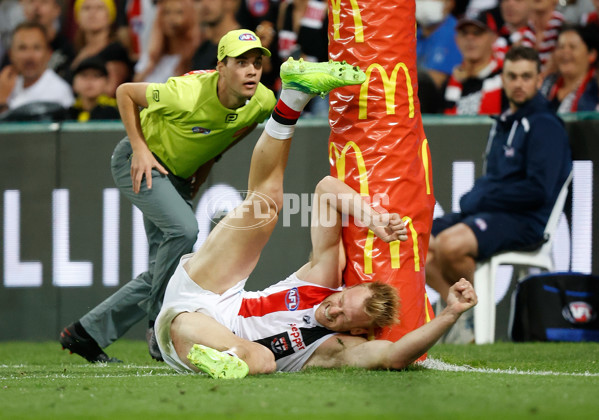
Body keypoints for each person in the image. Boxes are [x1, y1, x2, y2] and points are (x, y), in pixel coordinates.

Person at [153, 59, 478, 377]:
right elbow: (326, 190)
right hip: (211, 295)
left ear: (360, 331)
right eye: (339, 301)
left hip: (188, 328)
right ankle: (294, 95)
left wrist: (450, 314)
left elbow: (394, 356)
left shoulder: (335, 347)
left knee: (264, 359)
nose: (331, 310)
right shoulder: (322, 281)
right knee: (264, 204)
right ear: (344, 289)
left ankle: (227, 357)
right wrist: (374, 219)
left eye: (340, 318)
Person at [59, 29, 276, 363]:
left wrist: (205, 168)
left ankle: (85, 333)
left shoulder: (262, 101)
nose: (251, 70)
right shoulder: (186, 93)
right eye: (241, 62)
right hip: (141, 164)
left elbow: (235, 131)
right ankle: (156, 325)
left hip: (179, 175)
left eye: (256, 63)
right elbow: (125, 92)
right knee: (185, 231)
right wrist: (139, 148)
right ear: (221, 66)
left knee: (166, 268)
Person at [426, 46, 572, 341]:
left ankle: (469, 319)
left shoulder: (545, 126)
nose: (519, 83)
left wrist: (484, 196)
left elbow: (538, 190)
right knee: (417, 240)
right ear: (502, 79)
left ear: (538, 78)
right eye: (512, 76)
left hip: (526, 220)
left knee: (450, 245)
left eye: (526, 76)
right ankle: (458, 315)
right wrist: (483, 197)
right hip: (490, 214)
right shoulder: (503, 123)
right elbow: (495, 181)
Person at [0, 21, 73, 114]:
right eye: (22, 48)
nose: (29, 56)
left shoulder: (58, 90)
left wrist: (2, 101)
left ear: (48, 54)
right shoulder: (5, 83)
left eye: (36, 48)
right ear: (10, 54)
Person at [443, 11, 505, 115]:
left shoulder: (505, 78)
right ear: (457, 39)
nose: (470, 38)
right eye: (464, 33)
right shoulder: (450, 82)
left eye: (477, 33)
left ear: (493, 37)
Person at [69, 0, 132, 97]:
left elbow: (111, 89)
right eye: (86, 8)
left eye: (99, 8)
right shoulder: (73, 50)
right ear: (77, 16)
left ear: (110, 15)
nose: (92, 13)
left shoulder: (116, 51)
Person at [133, 0, 200, 83]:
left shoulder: (195, 57)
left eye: (179, 12)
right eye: (167, 12)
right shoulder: (151, 55)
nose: (172, 18)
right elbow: (134, 85)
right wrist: (150, 65)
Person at [540, 24, 598, 112]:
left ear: (591, 55)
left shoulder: (596, 89)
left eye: (572, 47)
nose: (565, 52)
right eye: (561, 47)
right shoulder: (546, 84)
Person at [18, 0, 75, 80]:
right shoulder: (15, 47)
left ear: (57, 10)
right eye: (31, 1)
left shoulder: (67, 50)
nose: (36, 7)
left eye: (44, 2)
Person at [66, 56, 120, 121]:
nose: (89, 80)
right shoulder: (68, 113)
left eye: (96, 75)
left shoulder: (116, 111)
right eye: (84, 75)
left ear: (107, 82)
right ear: (73, 83)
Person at [191, 0, 240, 71]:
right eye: (198, 0)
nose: (204, 4)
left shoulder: (247, 42)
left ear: (229, 2)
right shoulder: (200, 51)